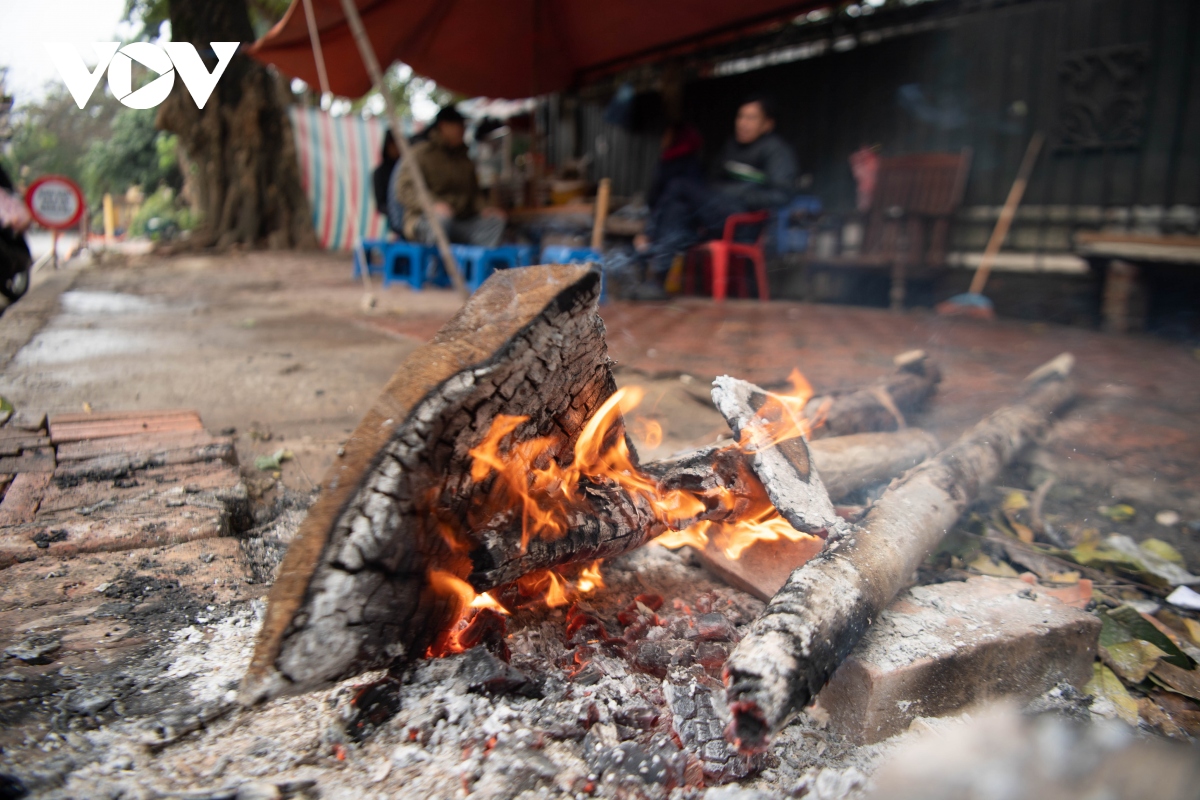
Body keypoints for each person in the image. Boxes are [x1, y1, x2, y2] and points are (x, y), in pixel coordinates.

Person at [631, 94, 797, 299]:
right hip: (718, 216)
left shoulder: (776, 151)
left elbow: (782, 196)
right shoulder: (731, 148)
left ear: (767, 124)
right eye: (740, 117)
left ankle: (648, 237)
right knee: (678, 209)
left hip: (744, 223)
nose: (743, 123)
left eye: (751, 118)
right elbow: (712, 185)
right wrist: (722, 193)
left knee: (679, 185)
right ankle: (656, 280)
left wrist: (740, 193)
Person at [395, 105, 505, 247]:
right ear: (443, 126)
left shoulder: (465, 160)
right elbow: (405, 190)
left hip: (460, 221)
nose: (462, 129)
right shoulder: (421, 154)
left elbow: (474, 194)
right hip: (425, 220)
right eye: (458, 125)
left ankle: (476, 268)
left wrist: (484, 208)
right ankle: (435, 268)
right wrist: (433, 205)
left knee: (494, 222)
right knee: (441, 221)